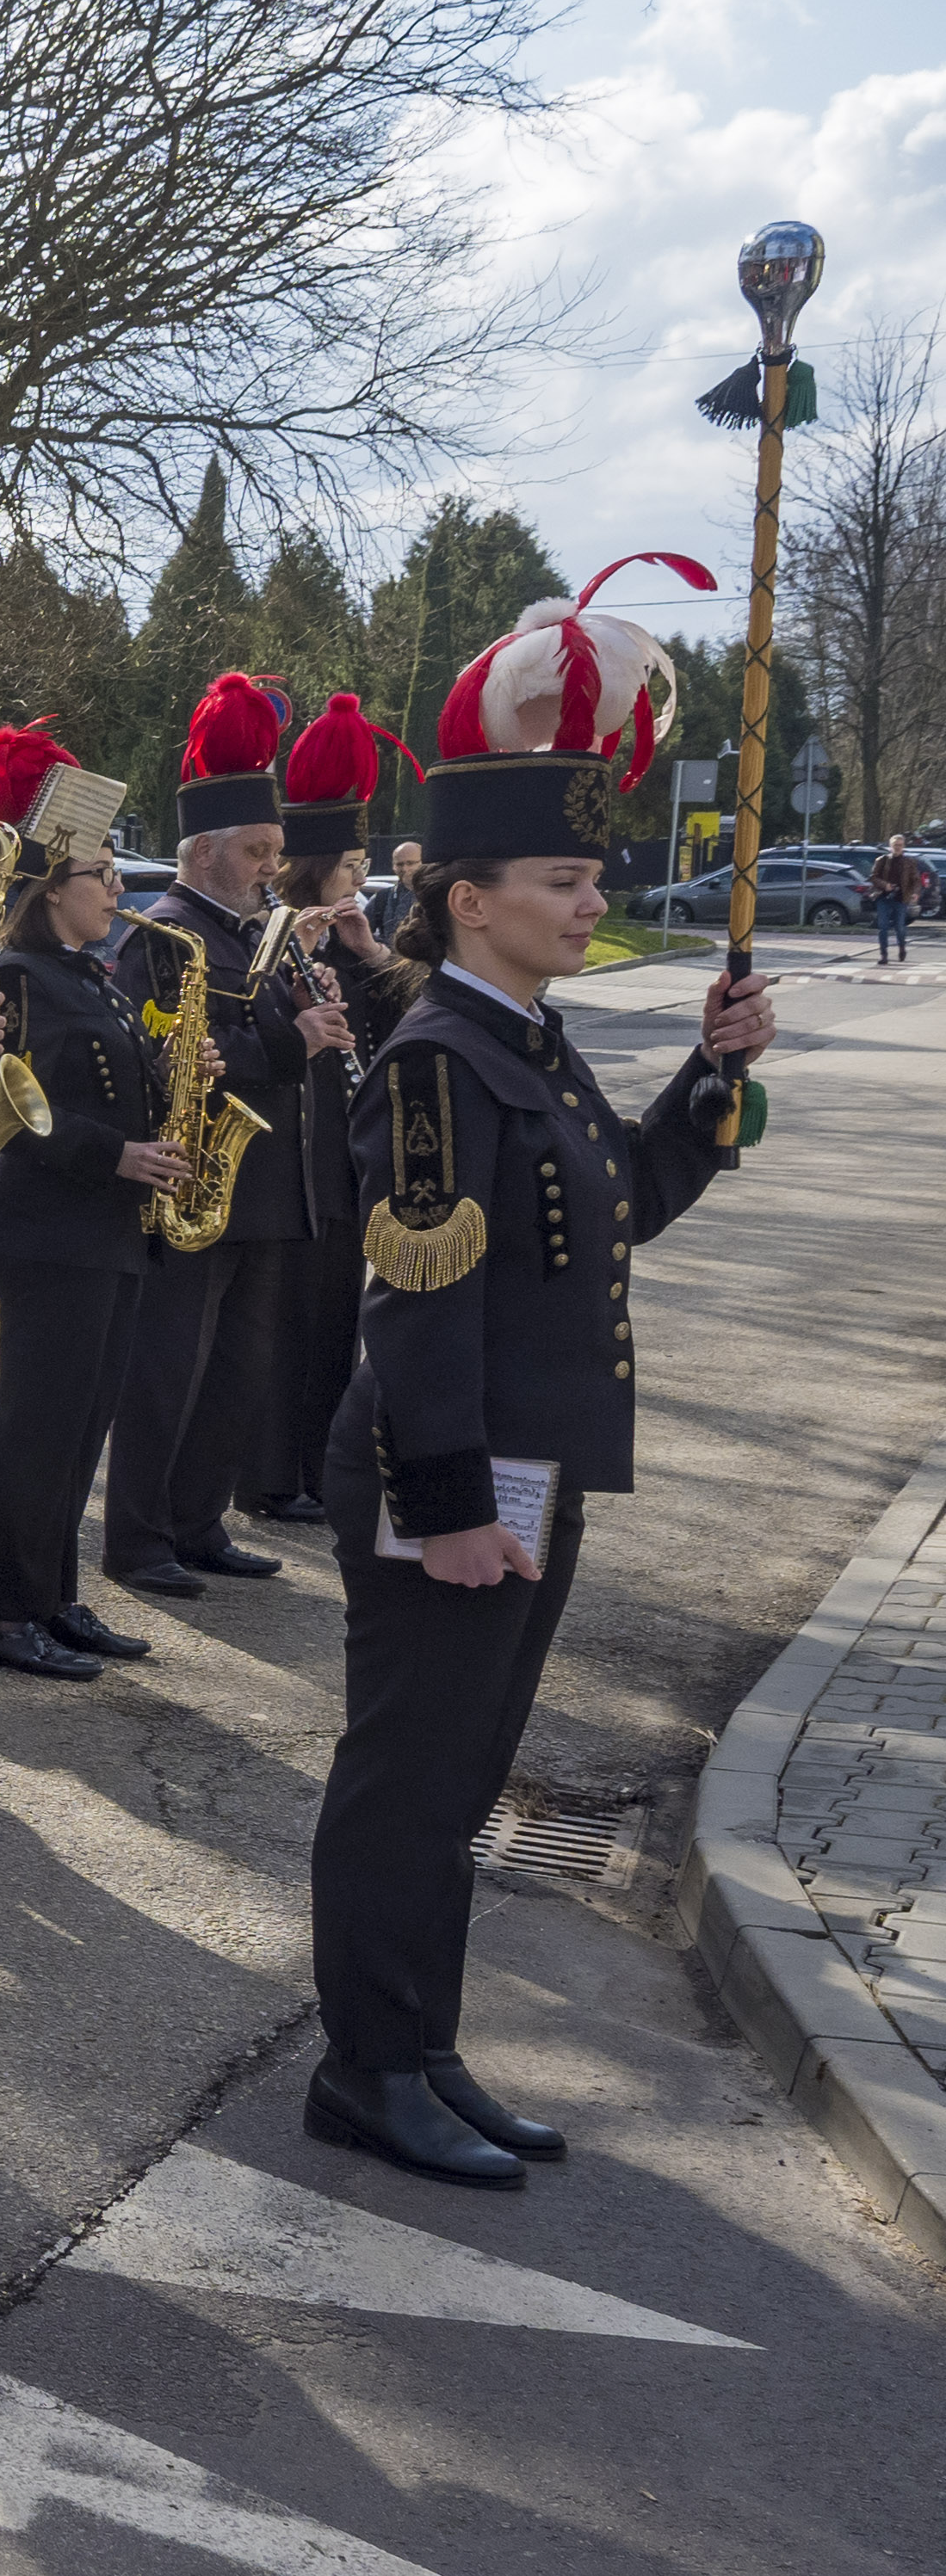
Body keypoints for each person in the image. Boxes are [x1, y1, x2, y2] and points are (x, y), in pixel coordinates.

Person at [305, 589, 774, 2182]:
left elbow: (621, 1197)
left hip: (529, 1466)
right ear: (470, 896)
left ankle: (425, 2046)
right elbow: (416, 1303)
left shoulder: (532, 1040)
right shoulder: (440, 1056)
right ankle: (366, 2065)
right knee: (407, 1780)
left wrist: (711, 1081)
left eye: (592, 876)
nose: (594, 900)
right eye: (566, 880)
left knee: (457, 1781)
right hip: (456, 1471)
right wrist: (444, 1507)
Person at [101, 675, 352, 1598]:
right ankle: (138, 1539)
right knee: (170, 1369)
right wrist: (295, 1036)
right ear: (204, 850)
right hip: (195, 1185)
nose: (270, 867)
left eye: (277, 851)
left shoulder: (262, 932)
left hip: (268, 1185)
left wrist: (311, 1004)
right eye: (257, 849)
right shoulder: (165, 931)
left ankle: (199, 1521)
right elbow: (171, 1055)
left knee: (238, 1371)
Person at [0, 728, 182, 1679]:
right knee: (38, 1424)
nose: (118, 891)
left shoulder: (96, 976)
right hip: (51, 1232)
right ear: (52, 888)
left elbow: (109, 1089)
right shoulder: (19, 976)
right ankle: (4, 1612)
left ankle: (53, 1594)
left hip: (109, 1233)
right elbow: (21, 1113)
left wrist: (179, 1074)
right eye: (101, 875)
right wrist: (120, 1153)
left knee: (84, 1421)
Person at [258, 692, 413, 1529]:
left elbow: (403, 1026)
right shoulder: (277, 938)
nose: (361, 879)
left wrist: (367, 953)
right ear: (316, 865)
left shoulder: (349, 947)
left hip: (344, 1167)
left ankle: (318, 1466)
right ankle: (273, 1471)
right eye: (352, 865)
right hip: (287, 1163)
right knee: (285, 1331)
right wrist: (305, 960)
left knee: (333, 1328)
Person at [878, 829, 924, 963]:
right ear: (890, 846)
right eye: (895, 845)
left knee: (899, 926)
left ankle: (902, 948)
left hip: (901, 898)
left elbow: (915, 879)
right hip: (884, 897)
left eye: (900, 845)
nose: (897, 847)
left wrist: (915, 892)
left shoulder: (909, 862)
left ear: (903, 846)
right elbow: (873, 877)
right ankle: (884, 955)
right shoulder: (882, 860)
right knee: (883, 926)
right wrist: (884, 884)